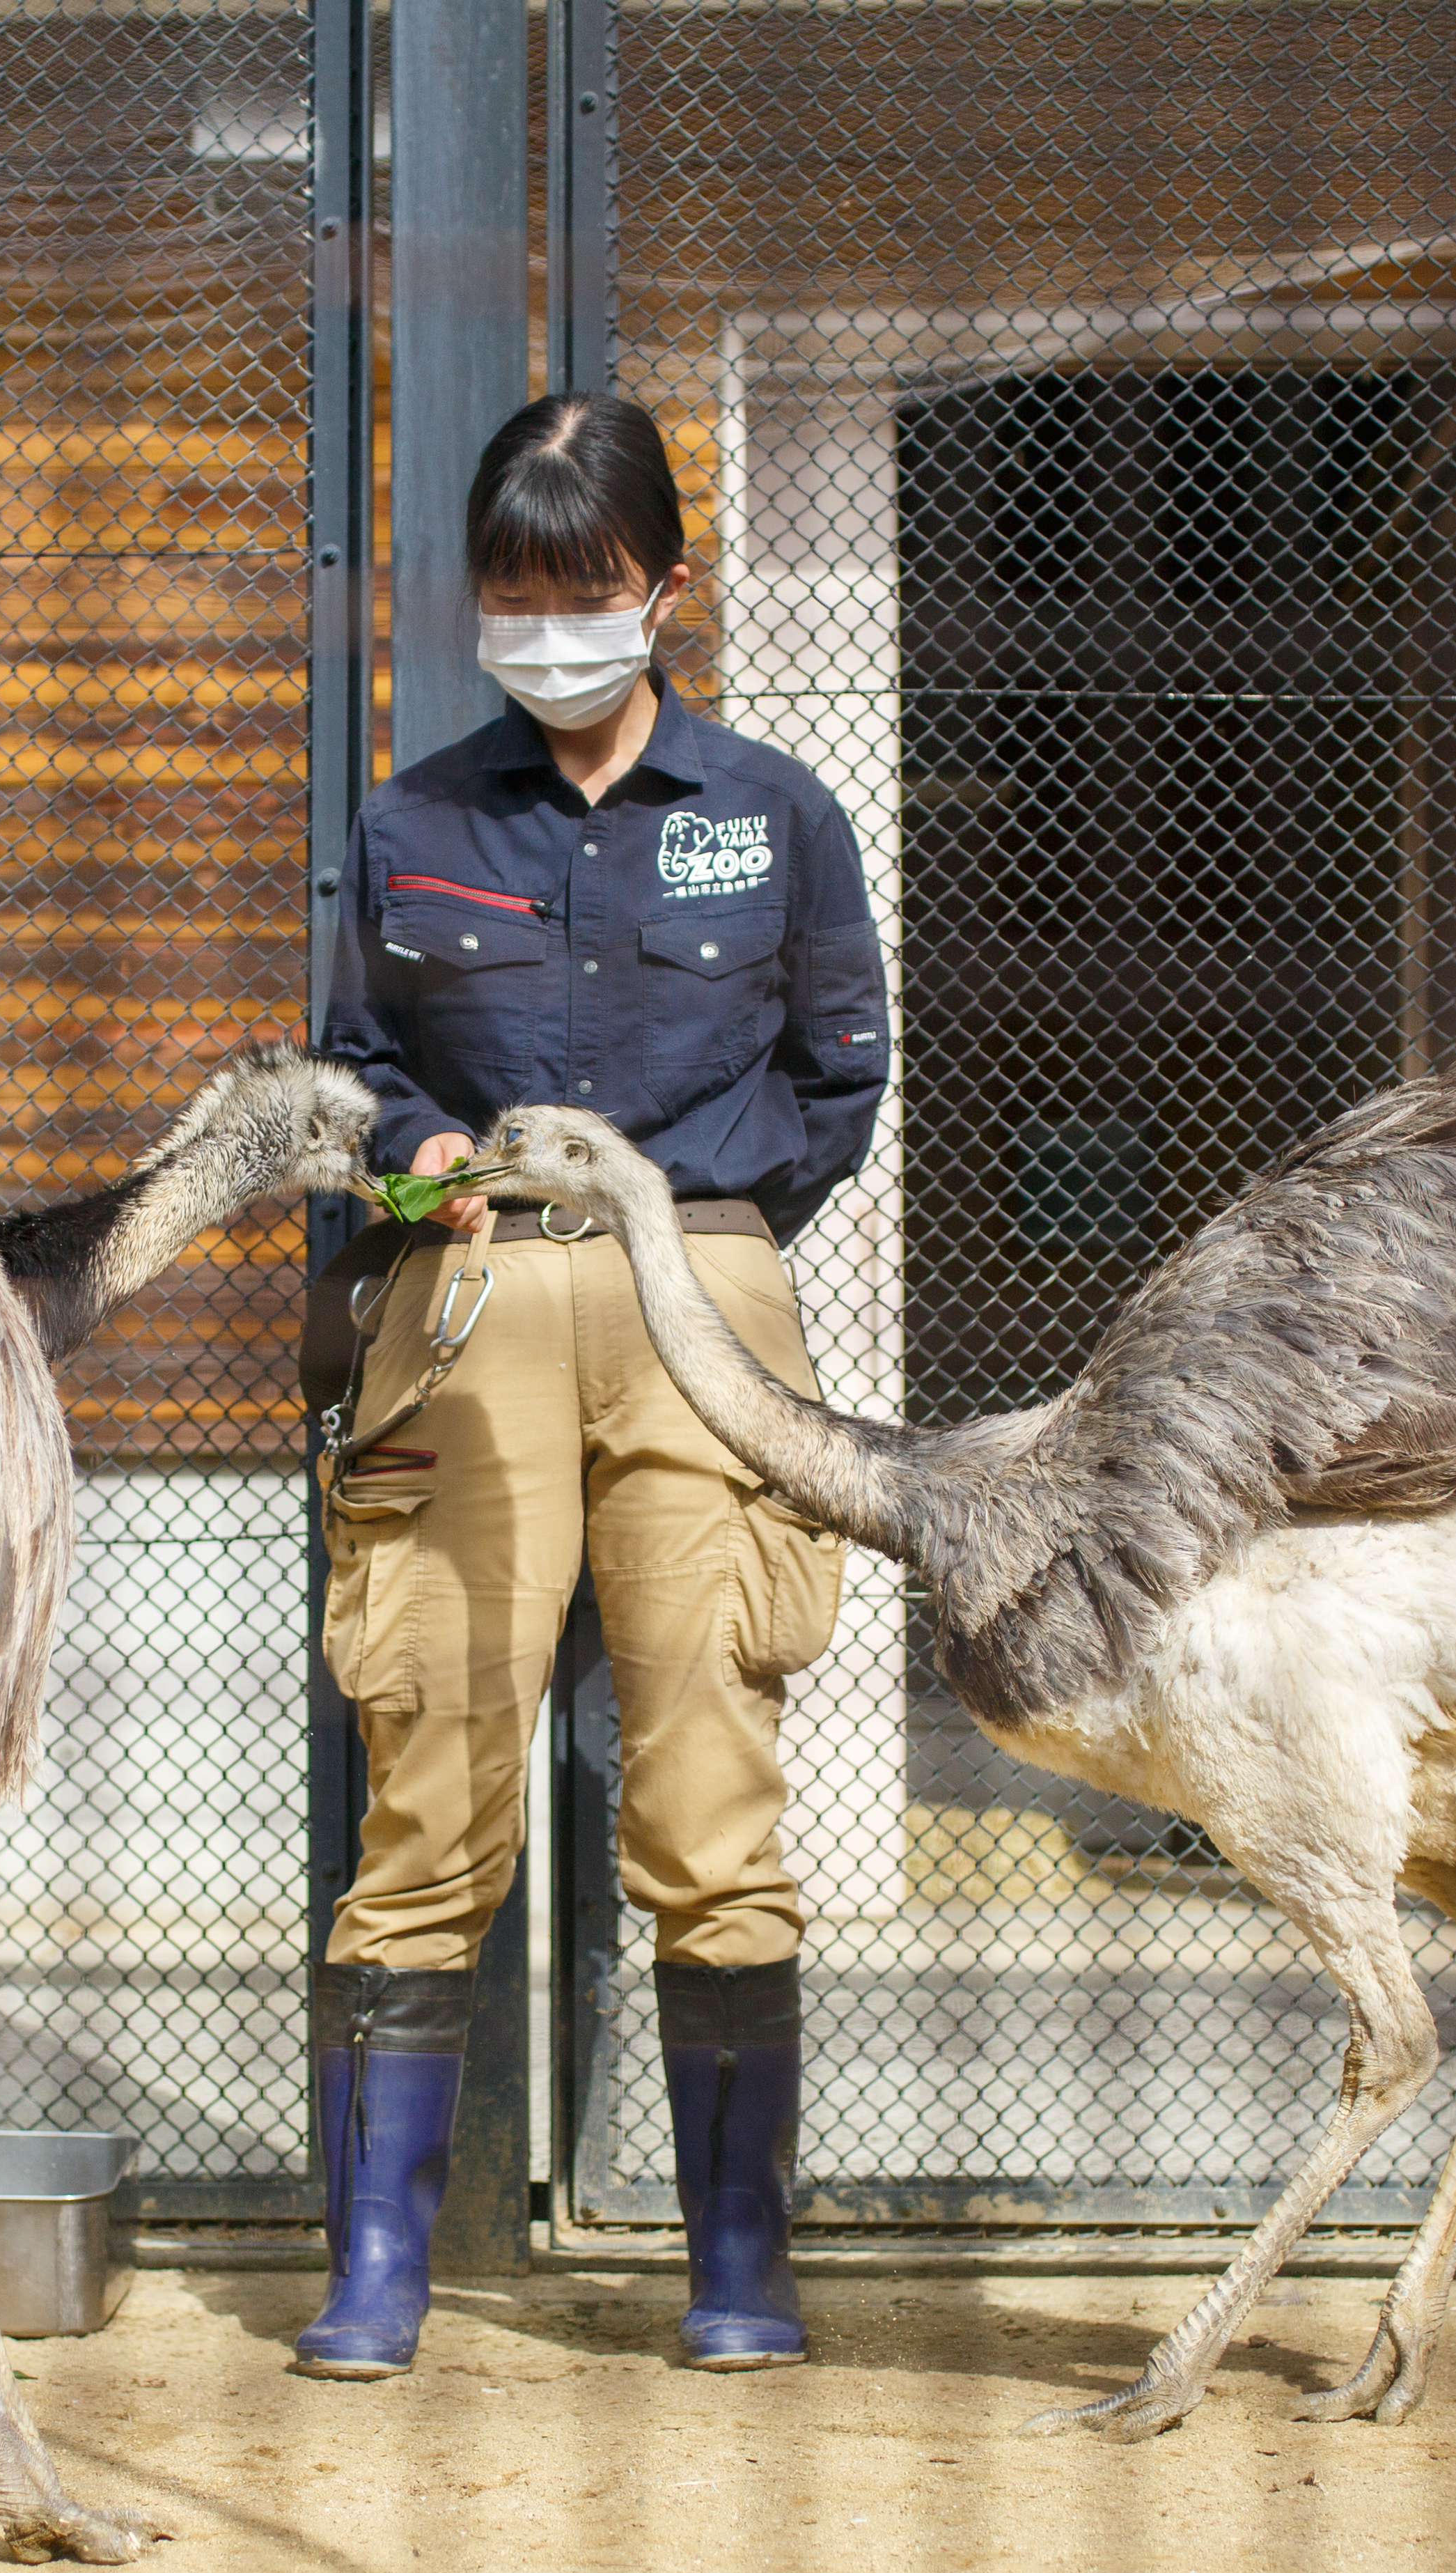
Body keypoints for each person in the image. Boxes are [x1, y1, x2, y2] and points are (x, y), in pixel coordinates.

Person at [300, 392, 892, 2377]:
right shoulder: (413, 820)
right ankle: (380, 2270)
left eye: (589, 591)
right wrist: (417, 1161)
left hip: (696, 1299)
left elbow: (840, 1073)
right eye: (514, 594)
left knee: (711, 1775)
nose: (550, 628)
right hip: (465, 1305)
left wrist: (708, 1233)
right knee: (433, 1768)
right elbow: (362, 1060)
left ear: (663, 589)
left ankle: (738, 2267)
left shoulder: (775, 811)